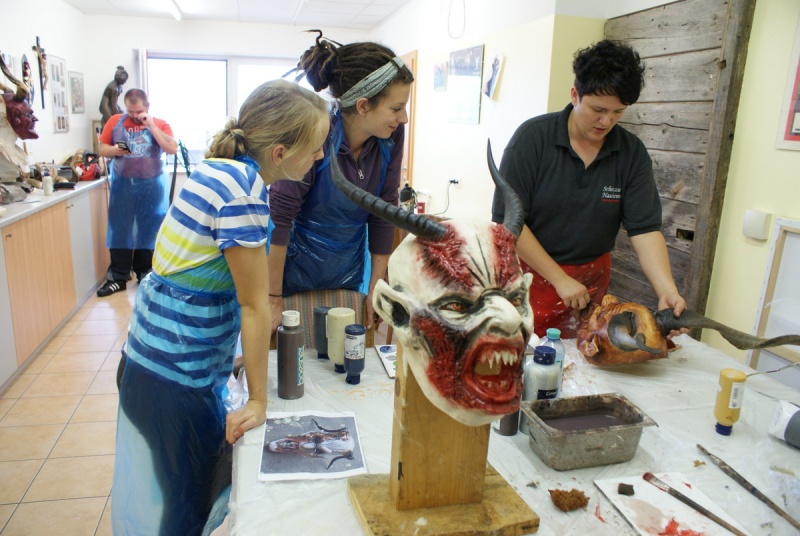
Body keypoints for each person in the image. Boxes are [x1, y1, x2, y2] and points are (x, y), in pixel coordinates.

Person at [111, 79, 330, 535]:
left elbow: (202, 274)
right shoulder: (243, 191)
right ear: (280, 153)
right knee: (185, 507)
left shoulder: (221, 169)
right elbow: (253, 304)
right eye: (315, 147)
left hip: (152, 365)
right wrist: (258, 400)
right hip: (172, 381)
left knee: (184, 495)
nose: (321, 156)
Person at [491, 40, 686, 339]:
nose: (606, 121)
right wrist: (558, 278)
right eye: (598, 109)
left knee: (582, 358)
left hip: (589, 283)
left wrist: (667, 290)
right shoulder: (532, 139)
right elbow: (509, 223)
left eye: (618, 112)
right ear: (575, 95)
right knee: (523, 353)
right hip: (528, 276)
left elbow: (645, 230)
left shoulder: (631, 152)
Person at [268, 31, 414, 332]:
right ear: (363, 106)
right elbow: (279, 218)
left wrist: (376, 284)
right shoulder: (316, 132)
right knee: (294, 346)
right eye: (396, 108)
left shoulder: (391, 137)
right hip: (290, 268)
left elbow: (384, 209)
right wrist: (271, 296)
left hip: (349, 269)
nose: (404, 118)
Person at [96, 88, 176, 297]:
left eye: (138, 111)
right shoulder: (115, 121)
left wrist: (151, 125)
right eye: (130, 111)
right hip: (123, 185)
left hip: (151, 186)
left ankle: (145, 273)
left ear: (147, 107)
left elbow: (172, 148)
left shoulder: (159, 124)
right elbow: (102, 148)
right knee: (120, 229)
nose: (134, 116)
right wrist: (115, 150)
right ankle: (118, 277)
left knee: (148, 229)